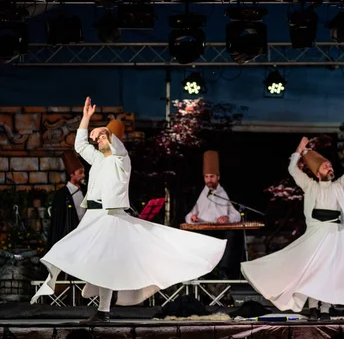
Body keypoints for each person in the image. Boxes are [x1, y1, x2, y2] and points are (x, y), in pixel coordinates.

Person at [31, 97, 227, 323]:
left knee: (104, 263)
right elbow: (80, 146)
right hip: (93, 218)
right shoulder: (97, 160)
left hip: (109, 217)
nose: (101, 140)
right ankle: (98, 308)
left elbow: (118, 147)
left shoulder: (122, 160)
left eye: (106, 137)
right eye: (101, 138)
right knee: (77, 254)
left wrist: (104, 129)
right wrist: (85, 119)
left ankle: (102, 310)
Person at [241, 137, 344, 321]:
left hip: (334, 234)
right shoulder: (310, 186)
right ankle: (313, 308)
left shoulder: (338, 187)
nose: (329, 167)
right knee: (313, 271)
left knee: (329, 271)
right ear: (318, 172)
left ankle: (325, 309)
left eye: (330, 165)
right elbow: (292, 170)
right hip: (315, 234)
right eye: (325, 166)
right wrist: (299, 150)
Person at [184, 150, 242, 278]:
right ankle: (203, 272)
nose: (209, 180)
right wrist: (192, 218)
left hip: (222, 231)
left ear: (218, 177)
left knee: (231, 236)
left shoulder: (225, 193)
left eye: (212, 177)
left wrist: (227, 217)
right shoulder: (201, 194)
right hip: (205, 230)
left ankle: (223, 270)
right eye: (206, 177)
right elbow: (188, 216)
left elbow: (237, 215)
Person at [46, 151, 87, 251]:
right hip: (69, 236)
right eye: (80, 173)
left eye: (83, 172)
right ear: (71, 174)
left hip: (84, 233)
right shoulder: (62, 194)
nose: (83, 175)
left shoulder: (84, 191)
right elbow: (58, 223)